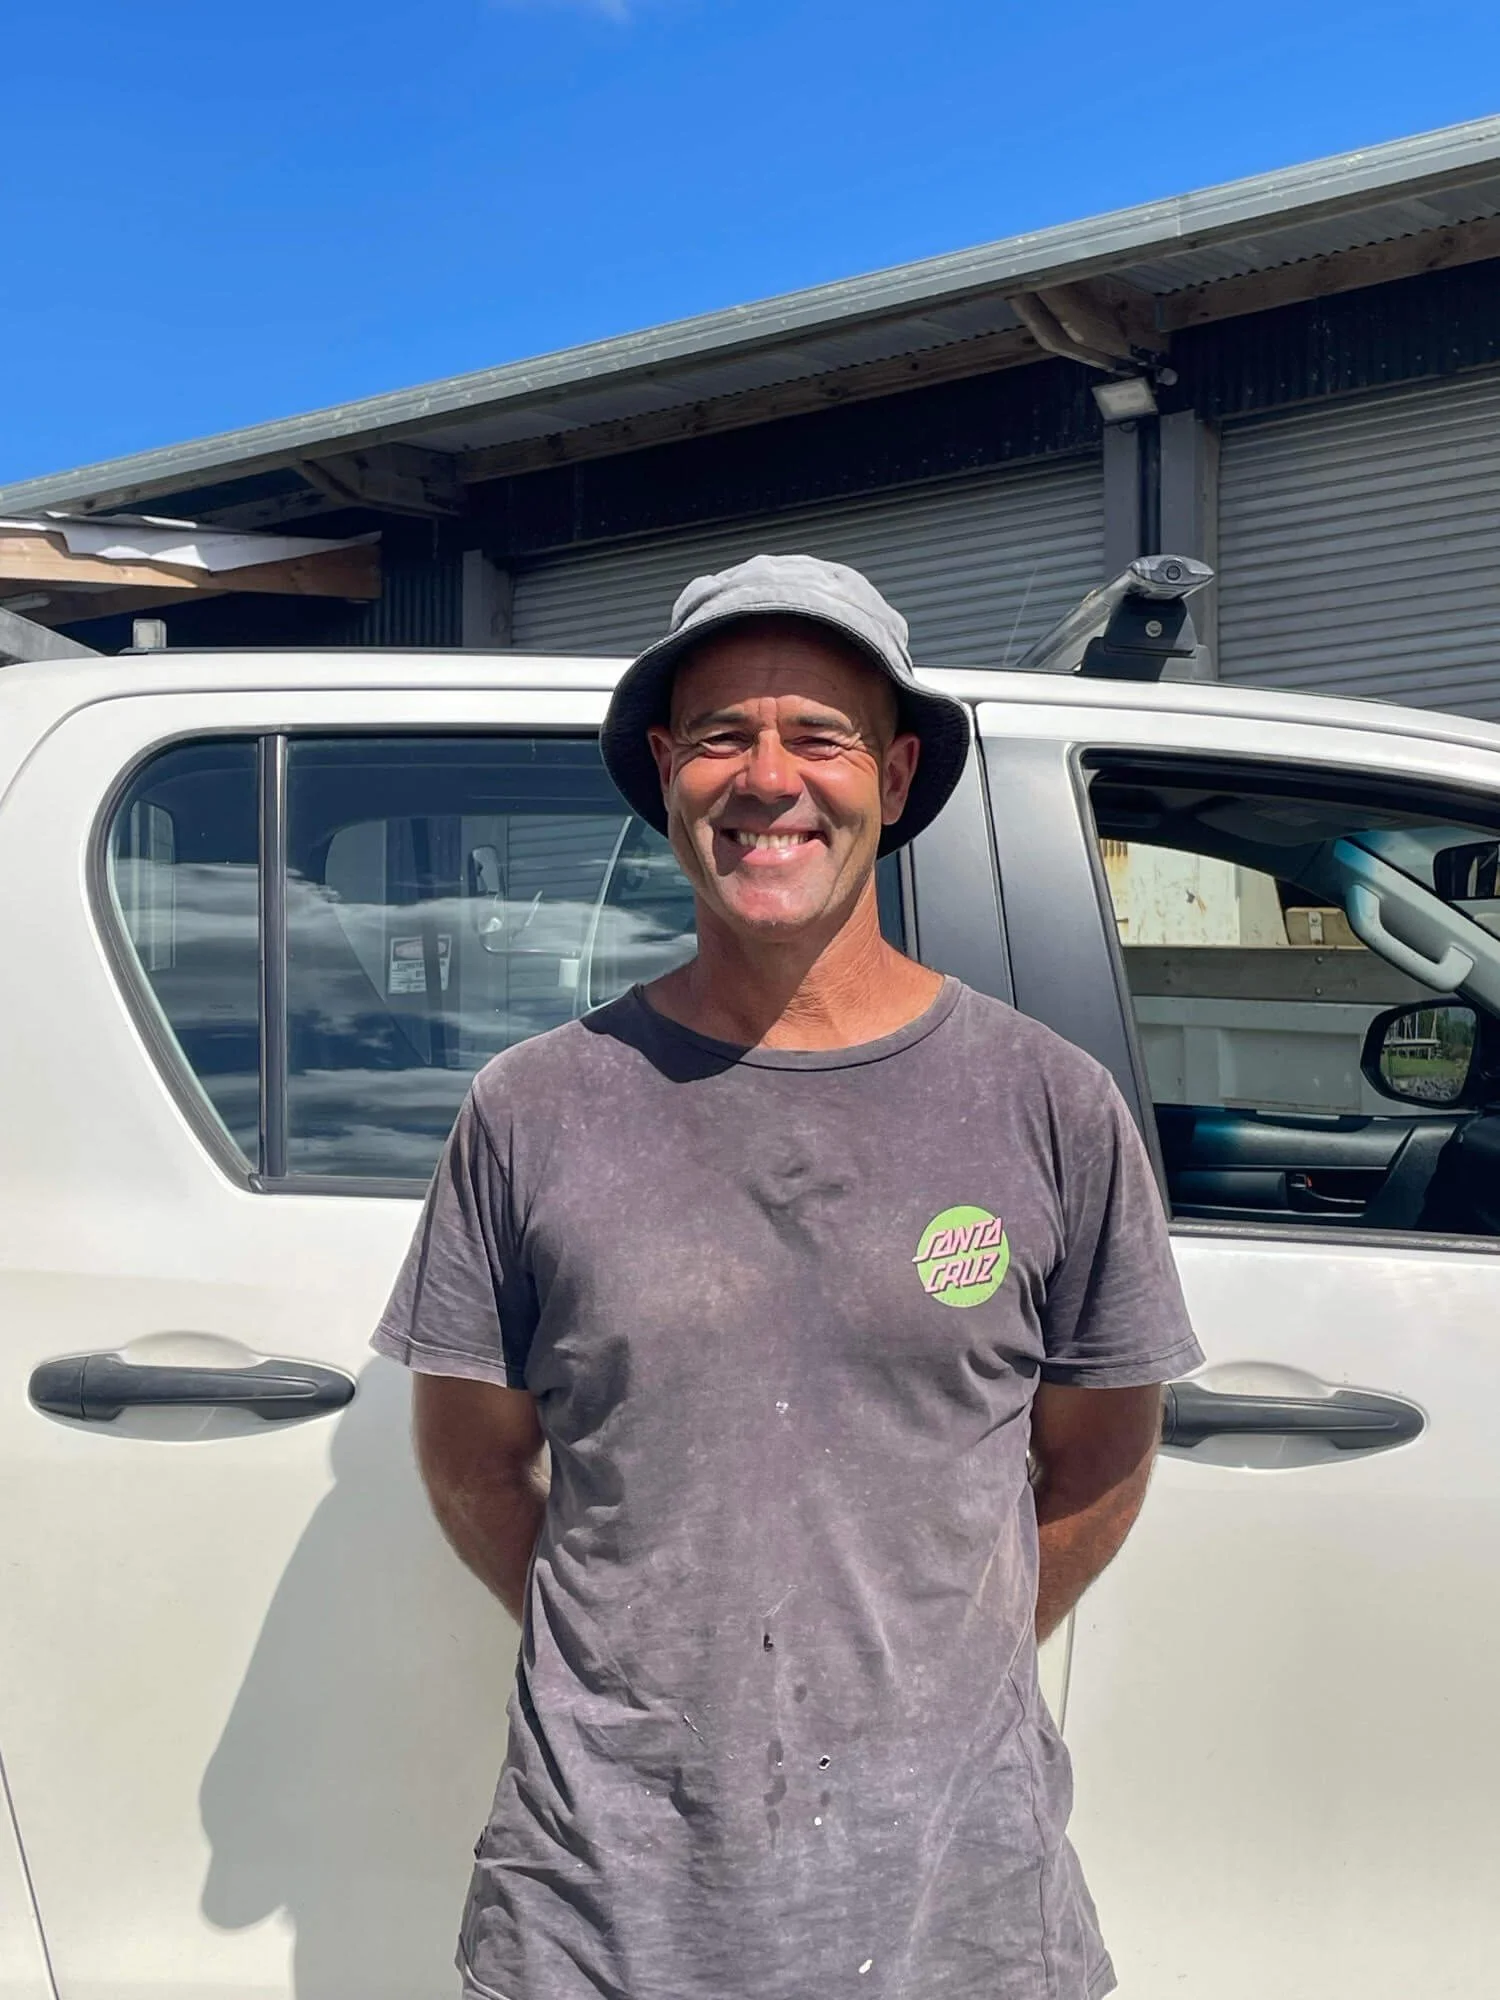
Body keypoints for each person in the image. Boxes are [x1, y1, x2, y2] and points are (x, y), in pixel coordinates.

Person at [372, 552, 1203, 2000]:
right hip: (604, 1898)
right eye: (721, 738)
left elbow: (1099, 1458)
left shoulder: (1049, 1105)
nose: (769, 780)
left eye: (818, 737)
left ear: (891, 772)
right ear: (664, 770)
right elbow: (471, 1468)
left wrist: (929, 1673)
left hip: (958, 1894)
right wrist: (649, 1665)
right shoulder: (533, 1109)